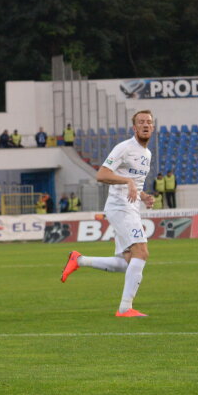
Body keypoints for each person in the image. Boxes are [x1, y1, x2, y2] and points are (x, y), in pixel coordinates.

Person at [60, 110, 156, 317]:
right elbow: (101, 174)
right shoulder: (124, 147)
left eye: (149, 122)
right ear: (134, 128)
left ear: (153, 127)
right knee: (142, 252)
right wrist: (128, 182)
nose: (145, 125)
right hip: (119, 207)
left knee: (127, 261)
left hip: (130, 206)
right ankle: (125, 308)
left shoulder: (147, 154)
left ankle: (79, 260)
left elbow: (133, 182)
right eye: (141, 122)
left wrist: (144, 196)